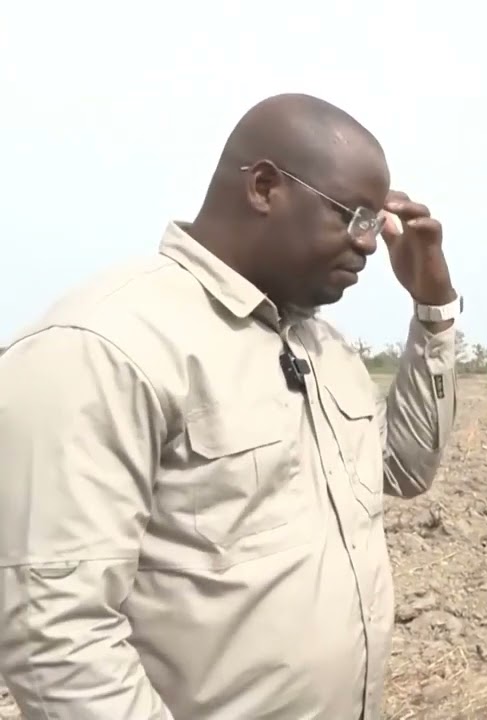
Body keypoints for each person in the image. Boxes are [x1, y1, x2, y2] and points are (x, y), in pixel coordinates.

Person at [0, 93, 461, 719]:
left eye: (377, 222)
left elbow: (404, 469)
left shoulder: (322, 347)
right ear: (266, 187)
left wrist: (433, 312)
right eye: (355, 216)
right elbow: (56, 636)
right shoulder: (103, 345)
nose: (371, 246)